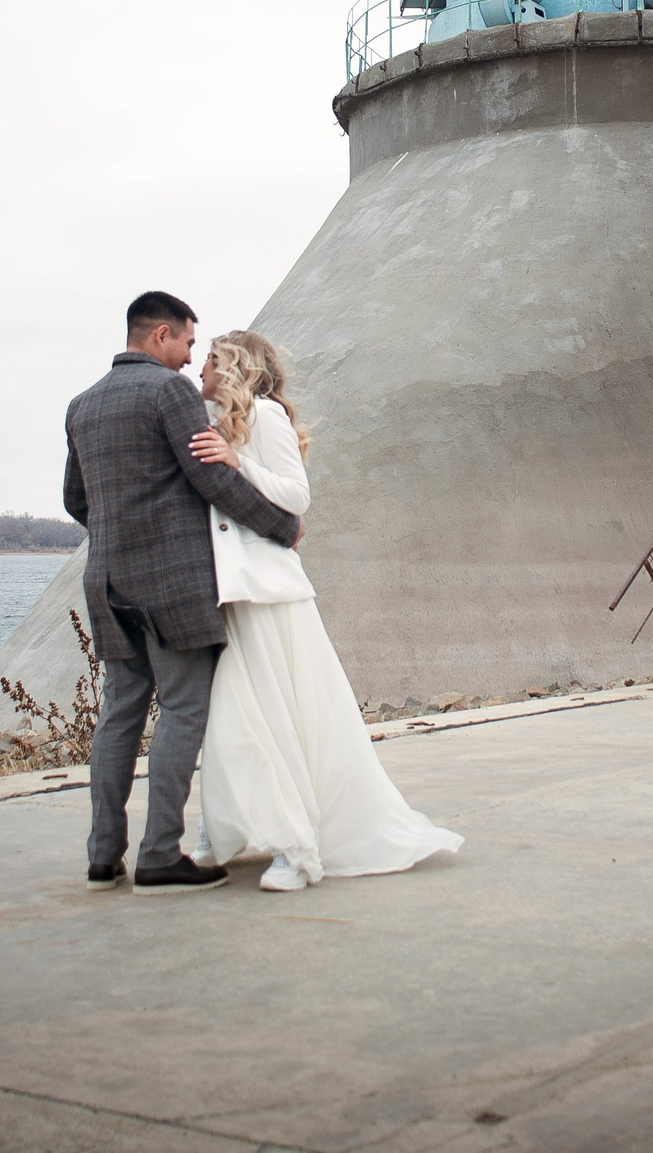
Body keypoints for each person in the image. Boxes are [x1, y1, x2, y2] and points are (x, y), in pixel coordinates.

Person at [187, 330, 462, 892]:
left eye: (210, 361)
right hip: (233, 589)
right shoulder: (219, 428)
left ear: (234, 366)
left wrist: (240, 463)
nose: (201, 371)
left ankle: (297, 850)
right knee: (236, 715)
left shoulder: (264, 416)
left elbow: (296, 496)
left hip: (273, 590)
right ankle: (223, 830)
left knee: (283, 712)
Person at [63, 291, 303, 893]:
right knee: (182, 709)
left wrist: (121, 531)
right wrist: (283, 527)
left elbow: (75, 499)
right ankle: (160, 853)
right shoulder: (167, 392)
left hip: (107, 580)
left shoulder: (82, 405)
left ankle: (102, 855)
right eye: (188, 344)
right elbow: (210, 475)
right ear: (160, 335)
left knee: (119, 712)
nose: (191, 358)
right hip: (172, 583)